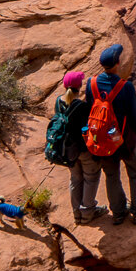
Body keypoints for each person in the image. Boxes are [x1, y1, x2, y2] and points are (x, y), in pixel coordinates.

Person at [83, 41, 136, 225]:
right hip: (124, 139)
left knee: (112, 175)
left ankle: (119, 213)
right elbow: (134, 114)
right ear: (117, 64)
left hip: (104, 139)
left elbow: (90, 111)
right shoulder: (125, 86)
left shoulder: (91, 84)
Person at [44, 67, 96, 222]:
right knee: (90, 178)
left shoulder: (58, 102)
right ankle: (87, 213)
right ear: (79, 87)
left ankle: (76, 213)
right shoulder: (82, 106)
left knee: (75, 178)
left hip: (66, 151)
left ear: (65, 86)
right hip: (82, 150)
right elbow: (85, 128)